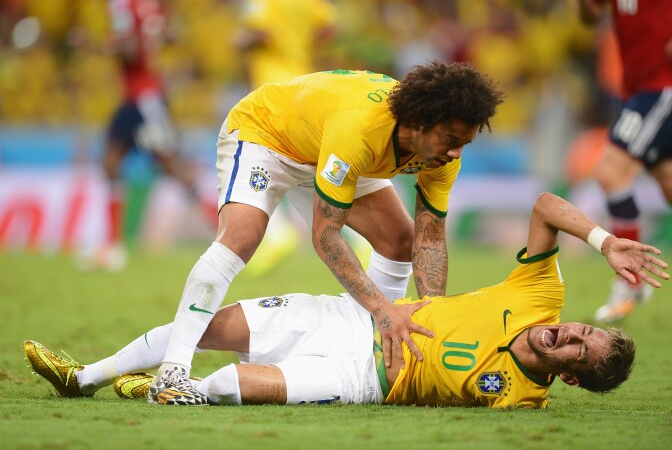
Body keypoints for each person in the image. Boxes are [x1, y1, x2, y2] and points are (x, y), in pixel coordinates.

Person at [23, 192, 669, 407]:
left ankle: (161, 390)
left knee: (227, 386)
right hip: (355, 317)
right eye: (583, 327)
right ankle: (83, 376)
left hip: (362, 374)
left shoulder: (522, 399)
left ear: (570, 377)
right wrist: (605, 239)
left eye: (580, 348)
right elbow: (545, 208)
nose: (570, 333)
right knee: (205, 327)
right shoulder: (540, 295)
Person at [138, 61, 505, 405]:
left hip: (324, 148)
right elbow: (325, 236)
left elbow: (429, 238)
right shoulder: (360, 129)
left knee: (401, 241)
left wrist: (433, 317)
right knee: (242, 238)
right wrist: (383, 310)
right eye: (450, 139)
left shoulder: (439, 154)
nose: (456, 153)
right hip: (268, 134)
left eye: (464, 143)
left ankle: (371, 345)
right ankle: (172, 373)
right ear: (421, 121)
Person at [81, 0, 215, 271]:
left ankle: (225, 232)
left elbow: (129, 50)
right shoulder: (149, 0)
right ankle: (113, 246)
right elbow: (171, 34)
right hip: (136, 98)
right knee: (111, 163)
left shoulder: (123, 0)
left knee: (171, 165)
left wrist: (94, 46)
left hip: (144, 100)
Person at [573, 0, 672, 323]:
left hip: (662, 87)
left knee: (610, 173)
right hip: (637, 88)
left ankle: (632, 280)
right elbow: (590, 17)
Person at [232, 0, 338, 277]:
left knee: (249, 155)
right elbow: (330, 26)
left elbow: (258, 33)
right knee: (305, 164)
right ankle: (358, 240)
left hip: (272, 88)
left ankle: (279, 235)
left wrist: (240, 41)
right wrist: (299, 44)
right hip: (302, 83)